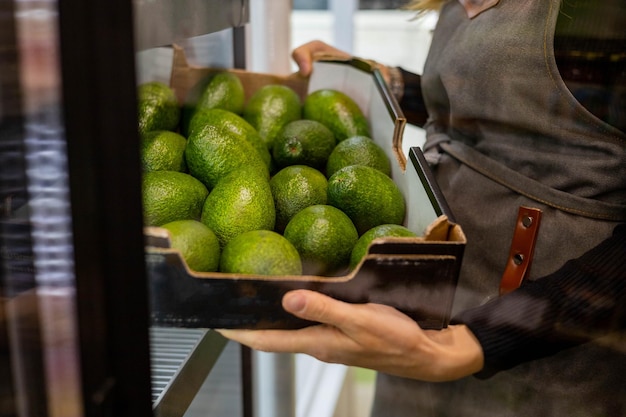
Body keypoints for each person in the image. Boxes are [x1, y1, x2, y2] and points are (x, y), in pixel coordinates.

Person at [219, 0, 626, 415]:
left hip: (544, 332)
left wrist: (476, 340)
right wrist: (385, 80)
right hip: (426, 306)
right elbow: (488, 113)